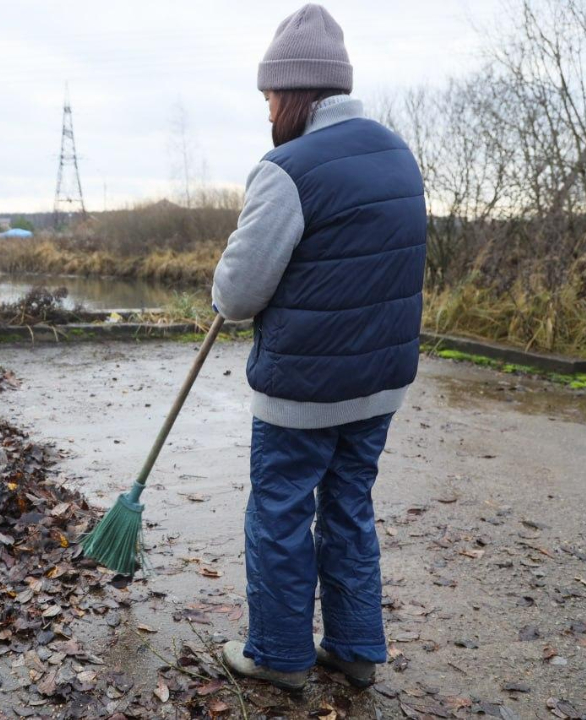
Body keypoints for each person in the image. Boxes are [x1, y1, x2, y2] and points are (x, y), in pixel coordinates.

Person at [211, 3, 427, 692]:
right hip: (381, 382)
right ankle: (356, 649)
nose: (267, 109)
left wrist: (226, 283)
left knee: (279, 513)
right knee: (349, 507)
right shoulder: (398, 154)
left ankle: (278, 655)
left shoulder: (287, 168)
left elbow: (238, 296)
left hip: (302, 391)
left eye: (269, 95)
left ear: (296, 91)